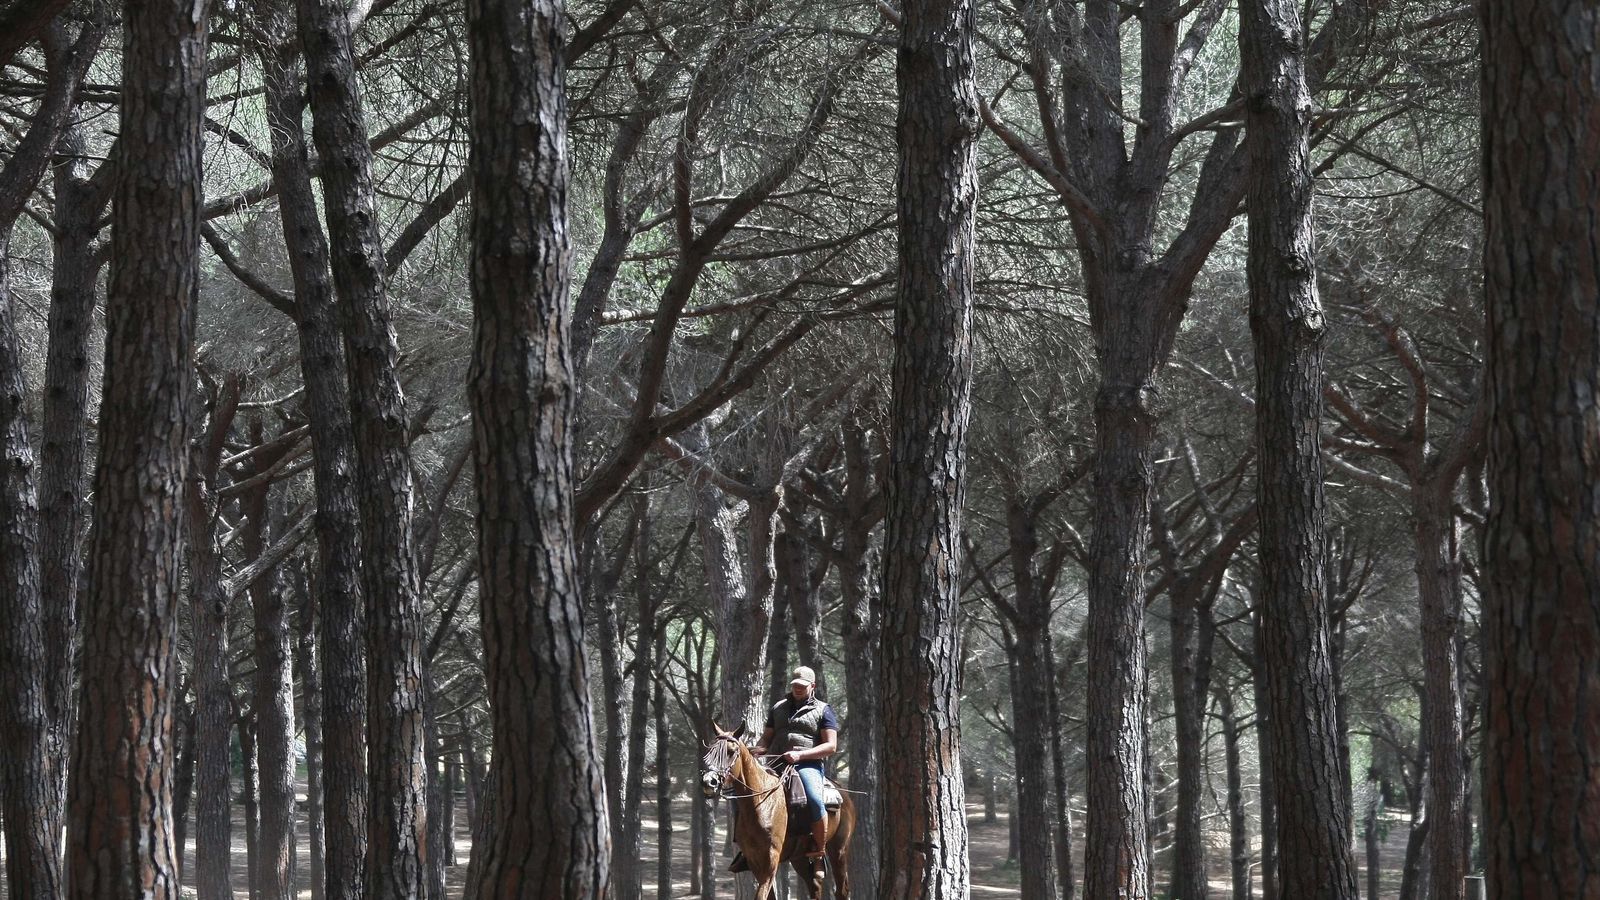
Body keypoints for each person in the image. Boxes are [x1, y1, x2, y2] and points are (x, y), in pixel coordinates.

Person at [754, 665, 839, 859]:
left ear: (813, 685)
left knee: (814, 799)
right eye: (795, 685)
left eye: (802, 685)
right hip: (775, 763)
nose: (797, 689)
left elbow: (831, 746)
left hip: (806, 764)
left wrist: (801, 755)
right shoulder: (778, 708)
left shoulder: (823, 710)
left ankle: (819, 849)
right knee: (748, 792)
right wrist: (758, 750)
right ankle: (747, 845)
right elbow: (767, 738)